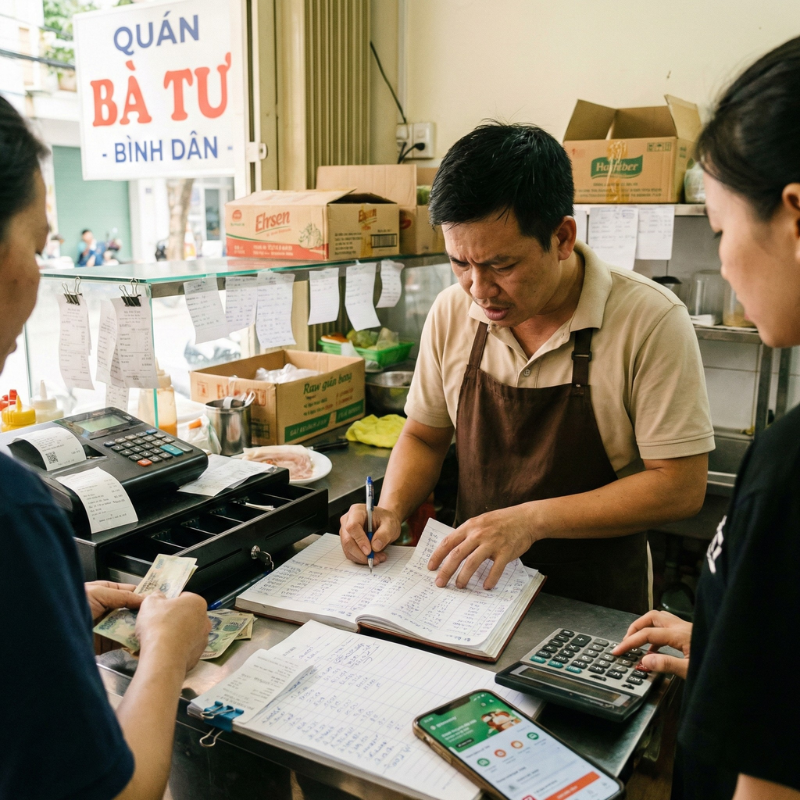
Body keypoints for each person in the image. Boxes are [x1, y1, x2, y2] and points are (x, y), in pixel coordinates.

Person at [340, 122, 714, 614]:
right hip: (474, 598)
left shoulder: (650, 320)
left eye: (502, 265)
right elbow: (425, 437)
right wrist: (390, 507)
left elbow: (679, 486)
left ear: (561, 237)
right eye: (460, 264)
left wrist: (530, 520)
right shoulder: (452, 312)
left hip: (592, 604)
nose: (479, 290)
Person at [0, 96, 211, 799]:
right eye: (36, 248)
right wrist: (166, 653)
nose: (38, 275)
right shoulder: (14, 512)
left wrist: (48, 612)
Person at [613, 37, 800, 800]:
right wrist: (727, 646)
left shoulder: (789, 467)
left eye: (721, 232)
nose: (721, 264)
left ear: (795, 215)